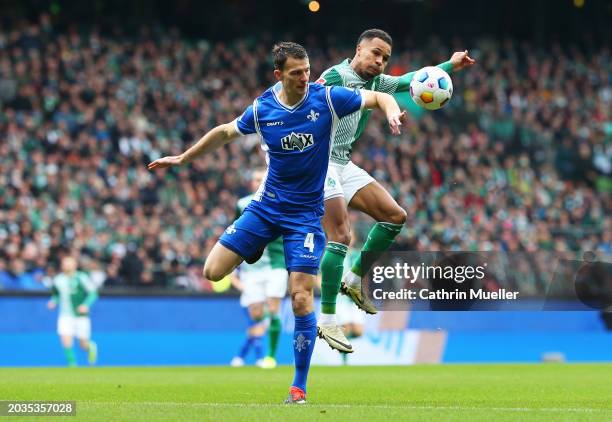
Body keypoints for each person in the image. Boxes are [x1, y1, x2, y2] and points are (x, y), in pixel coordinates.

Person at [147, 41, 404, 404]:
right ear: (279, 74)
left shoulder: (326, 98)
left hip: (305, 216)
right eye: (296, 73)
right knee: (212, 271)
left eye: (307, 70)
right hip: (265, 208)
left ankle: (298, 387)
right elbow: (224, 132)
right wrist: (184, 159)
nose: (304, 78)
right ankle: (254, 249)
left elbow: (377, 99)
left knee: (300, 298)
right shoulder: (263, 107)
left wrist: (392, 110)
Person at [315, 29, 476, 351]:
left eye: (385, 58)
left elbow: (412, 80)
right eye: (375, 53)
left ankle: (354, 279)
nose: (379, 61)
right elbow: (307, 103)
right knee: (341, 237)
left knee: (394, 216)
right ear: (358, 49)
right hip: (317, 163)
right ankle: (328, 320)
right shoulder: (335, 75)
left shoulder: (377, 82)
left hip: (342, 163)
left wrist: (450, 65)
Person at [230, 169, 287, 369]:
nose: (258, 182)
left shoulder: (281, 200)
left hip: (276, 265)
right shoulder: (242, 204)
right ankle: (266, 328)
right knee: (256, 315)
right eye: (255, 179)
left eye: (261, 178)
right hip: (251, 270)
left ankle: (270, 357)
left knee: (273, 309)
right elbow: (235, 229)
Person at [47, 255, 99, 367]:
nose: (66, 265)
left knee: (82, 344)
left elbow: (93, 293)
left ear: (75, 264)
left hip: (81, 315)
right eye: (64, 263)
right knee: (65, 338)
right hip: (65, 315)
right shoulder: (58, 279)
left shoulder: (82, 277)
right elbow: (56, 295)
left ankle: (90, 347)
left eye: (69, 262)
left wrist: (85, 304)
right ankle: (72, 365)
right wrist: (53, 302)